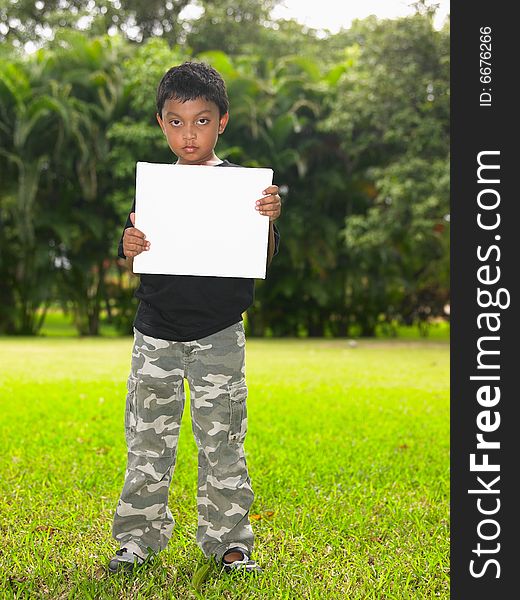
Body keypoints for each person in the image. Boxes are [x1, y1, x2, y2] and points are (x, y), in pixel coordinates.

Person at [108, 61, 281, 576]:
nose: (189, 134)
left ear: (222, 122)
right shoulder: (155, 187)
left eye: (201, 121)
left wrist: (268, 219)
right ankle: (138, 539)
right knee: (147, 441)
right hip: (155, 334)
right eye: (177, 121)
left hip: (219, 334)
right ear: (161, 123)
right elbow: (136, 255)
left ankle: (228, 542)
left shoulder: (246, 190)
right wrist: (127, 245)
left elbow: (263, 258)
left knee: (222, 440)